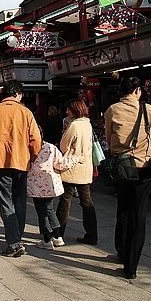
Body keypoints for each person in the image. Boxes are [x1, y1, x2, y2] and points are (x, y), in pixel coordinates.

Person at [105, 76, 151, 279]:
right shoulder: (149, 111)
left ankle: (121, 250)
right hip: (143, 168)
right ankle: (131, 266)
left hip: (121, 167)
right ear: (137, 91)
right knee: (139, 216)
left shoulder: (112, 110)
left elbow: (110, 139)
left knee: (123, 209)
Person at [0, 80, 42, 257]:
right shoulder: (25, 112)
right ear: (19, 94)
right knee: (20, 201)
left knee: (6, 202)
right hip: (21, 163)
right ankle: (17, 238)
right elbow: (35, 140)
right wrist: (32, 157)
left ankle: (14, 242)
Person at [56, 99, 98, 245]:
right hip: (85, 167)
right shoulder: (87, 124)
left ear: (75, 110)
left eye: (69, 109)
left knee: (65, 200)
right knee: (86, 201)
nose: (67, 112)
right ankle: (92, 234)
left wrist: (64, 131)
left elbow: (63, 145)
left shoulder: (74, 125)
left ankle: (58, 233)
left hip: (72, 167)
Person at [28, 139, 82, 249]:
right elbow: (60, 164)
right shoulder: (51, 147)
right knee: (50, 210)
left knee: (42, 212)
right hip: (50, 185)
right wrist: (76, 158)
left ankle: (47, 240)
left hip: (35, 186)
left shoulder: (27, 148)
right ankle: (58, 237)